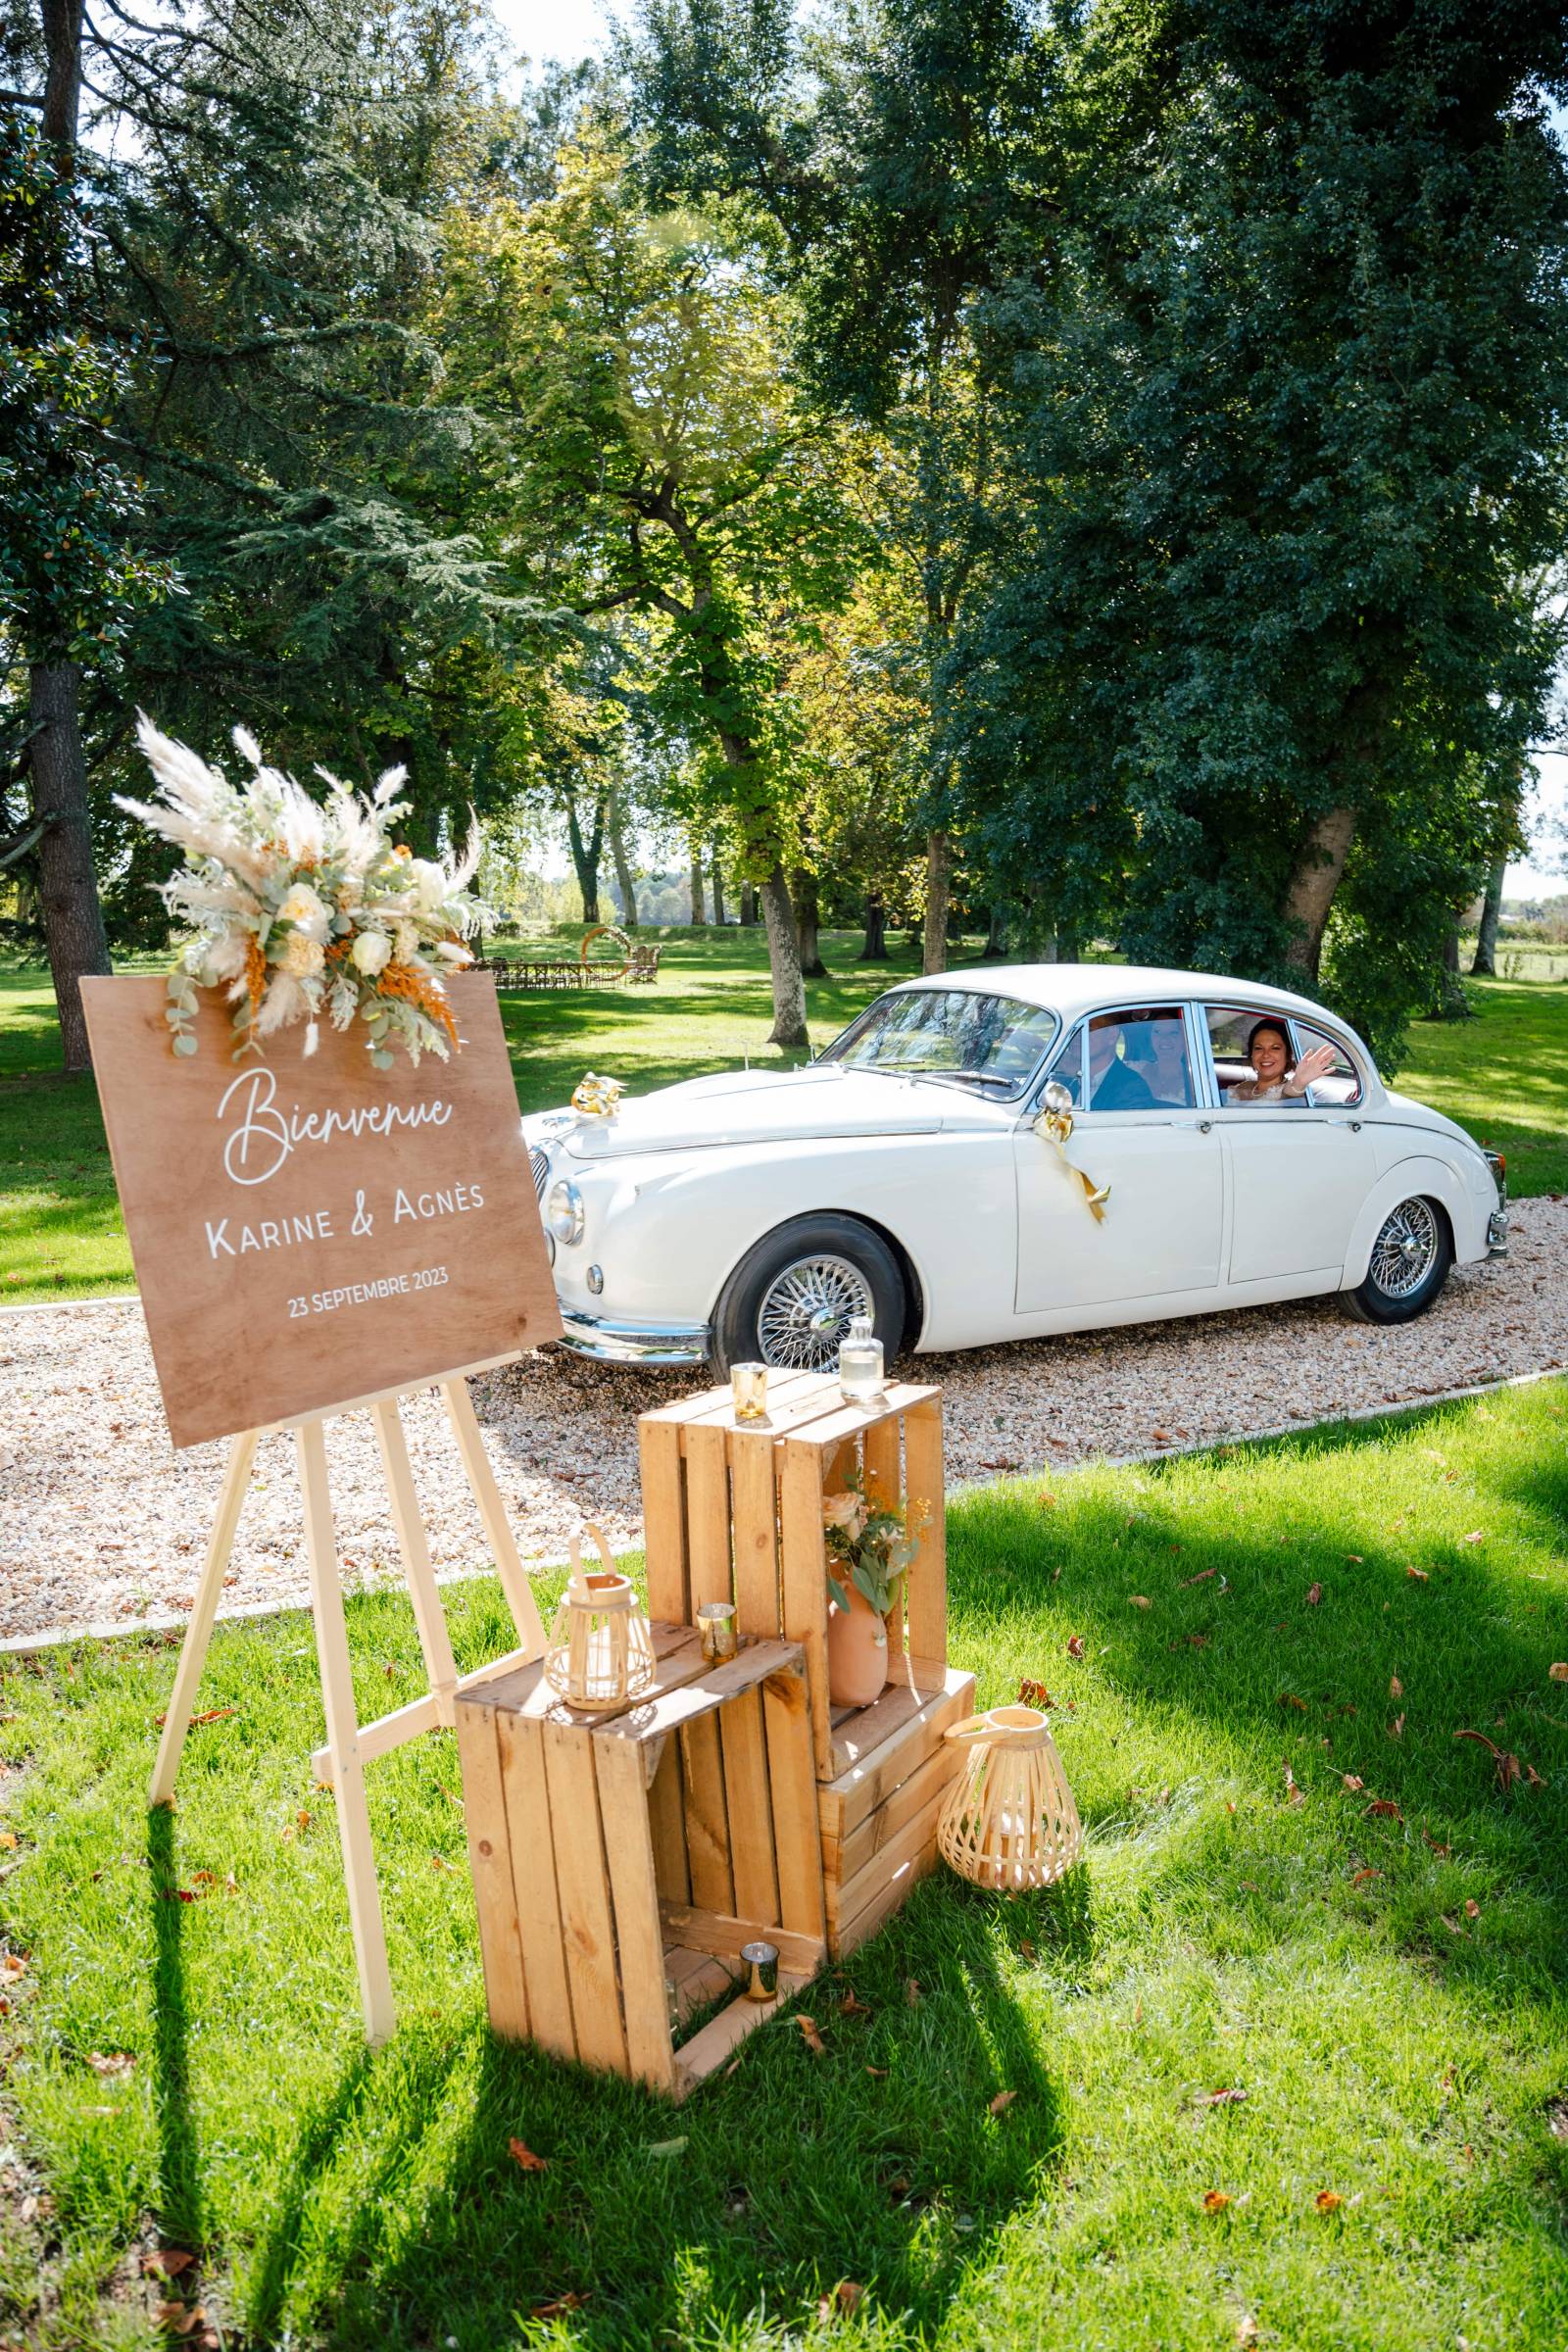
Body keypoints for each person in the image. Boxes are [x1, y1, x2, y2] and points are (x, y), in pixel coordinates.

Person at [1226, 1019, 1337, 1103]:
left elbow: (1290, 1094)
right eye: (1258, 1048)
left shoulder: (1288, 1091)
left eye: (1275, 1048)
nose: (1265, 1054)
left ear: (1287, 1055)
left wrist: (1299, 1081)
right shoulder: (1245, 1087)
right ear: (1252, 1054)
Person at [1087, 1014, 1156, 1110]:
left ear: (1112, 1035)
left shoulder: (1132, 1088)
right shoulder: (1072, 1081)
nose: (1076, 1036)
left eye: (1088, 1030)